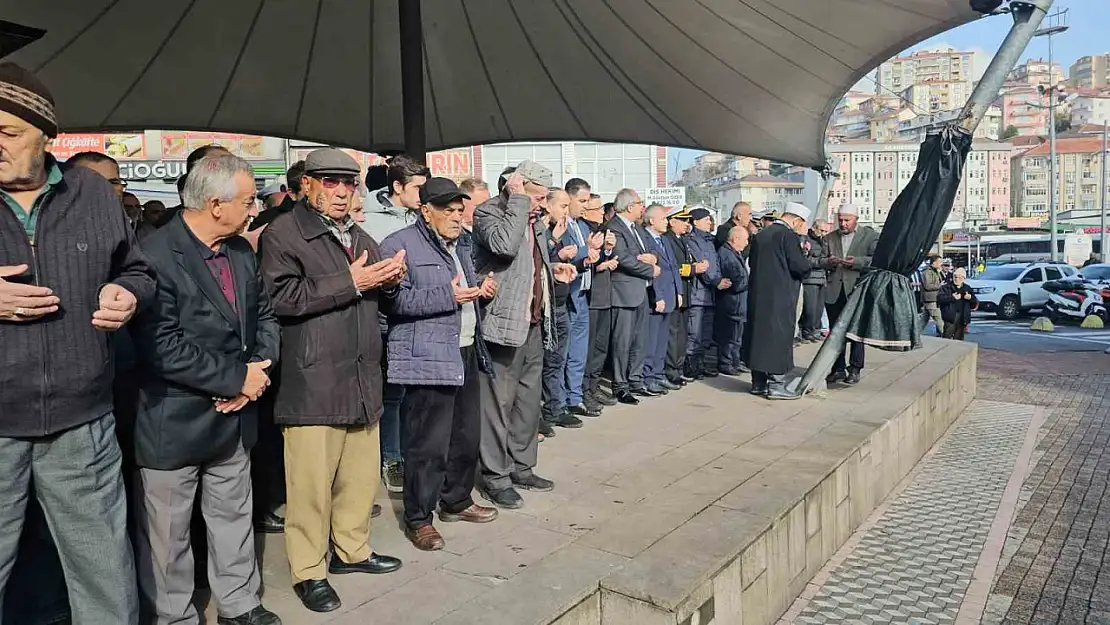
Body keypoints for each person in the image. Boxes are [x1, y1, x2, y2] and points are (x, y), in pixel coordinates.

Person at [0, 61, 155, 624]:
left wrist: (126, 292)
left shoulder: (92, 191)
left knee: (104, 574)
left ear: (46, 135)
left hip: (83, 421)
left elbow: (136, 269)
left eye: (8, 132)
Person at [130, 153, 282, 625]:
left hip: (234, 415)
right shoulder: (154, 255)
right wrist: (238, 378)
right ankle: (174, 616)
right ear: (216, 204)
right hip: (172, 419)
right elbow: (162, 346)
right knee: (168, 536)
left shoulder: (239, 250)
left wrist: (256, 372)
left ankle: (239, 605)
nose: (255, 209)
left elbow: (267, 317)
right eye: (250, 199)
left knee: (234, 518)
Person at [258, 148, 406, 613]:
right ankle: (308, 570)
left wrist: (389, 282)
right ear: (308, 185)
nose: (342, 191)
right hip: (312, 380)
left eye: (349, 183)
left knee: (359, 481)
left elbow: (379, 299)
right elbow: (280, 298)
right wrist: (354, 281)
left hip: (361, 376)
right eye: (331, 182)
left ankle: (352, 550)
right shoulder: (284, 233)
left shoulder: (359, 235)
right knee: (309, 486)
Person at [378, 178, 500, 551]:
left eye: (459, 208)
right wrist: (447, 296)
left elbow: (461, 288)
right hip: (426, 358)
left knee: (466, 437)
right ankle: (419, 517)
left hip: (463, 348)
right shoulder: (399, 245)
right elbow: (394, 303)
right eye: (446, 209)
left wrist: (481, 290)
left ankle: (457, 500)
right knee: (427, 445)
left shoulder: (462, 242)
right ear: (424, 210)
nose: (455, 215)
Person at [472, 161, 574, 509]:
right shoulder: (490, 212)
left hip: (534, 321)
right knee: (497, 404)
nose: (544, 204)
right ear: (519, 185)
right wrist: (517, 201)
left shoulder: (535, 220)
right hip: (502, 324)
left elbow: (529, 262)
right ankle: (494, 477)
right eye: (539, 195)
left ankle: (522, 465)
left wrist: (553, 268)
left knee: (529, 403)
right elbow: (503, 247)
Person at [364, 154, 430, 494]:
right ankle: (390, 456)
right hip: (382, 318)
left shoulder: (425, 215)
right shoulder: (367, 220)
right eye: (418, 188)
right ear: (397, 187)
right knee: (390, 393)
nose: (424, 194)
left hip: (416, 314)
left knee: (411, 392)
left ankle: (408, 452)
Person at [743, 202, 813, 400]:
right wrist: (806, 259)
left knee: (758, 336)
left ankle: (758, 382)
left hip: (758, 294)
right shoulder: (787, 236)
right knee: (778, 337)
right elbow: (798, 266)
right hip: (780, 296)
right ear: (797, 220)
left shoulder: (762, 234)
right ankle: (776, 384)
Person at [605, 189, 658, 404]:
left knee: (639, 340)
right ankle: (620, 384)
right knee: (622, 341)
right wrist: (649, 270)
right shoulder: (614, 228)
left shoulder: (637, 228)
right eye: (640, 204)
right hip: (624, 293)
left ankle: (636, 380)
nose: (642, 207)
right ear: (629, 207)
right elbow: (623, 259)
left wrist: (652, 258)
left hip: (641, 291)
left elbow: (654, 249)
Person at [539, 188, 585, 433]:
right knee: (544, 361)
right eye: (563, 206)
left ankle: (556, 407)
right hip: (544, 305)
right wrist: (555, 246)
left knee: (558, 360)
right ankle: (543, 412)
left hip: (561, 301)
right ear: (548, 205)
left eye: (568, 206)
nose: (566, 211)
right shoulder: (541, 230)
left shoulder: (562, 229)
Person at [822, 204, 879, 385]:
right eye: (840, 220)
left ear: (856, 219)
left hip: (856, 290)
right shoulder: (829, 237)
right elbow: (820, 260)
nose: (843, 224)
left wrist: (857, 262)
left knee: (856, 332)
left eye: (847, 220)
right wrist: (828, 262)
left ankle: (854, 368)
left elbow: (876, 260)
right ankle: (837, 368)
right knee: (835, 332)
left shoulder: (870, 237)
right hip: (834, 291)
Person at [560, 178, 600, 417]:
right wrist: (586, 251)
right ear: (569, 197)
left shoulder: (582, 226)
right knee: (564, 353)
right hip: (568, 295)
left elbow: (587, 257)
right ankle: (561, 400)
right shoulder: (560, 226)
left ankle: (575, 397)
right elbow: (564, 258)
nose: (585, 206)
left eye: (587, 201)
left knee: (578, 352)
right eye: (581, 201)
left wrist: (600, 251)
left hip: (583, 295)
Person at [582, 194, 619, 413]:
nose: (600, 213)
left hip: (605, 295)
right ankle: (585, 389)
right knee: (589, 348)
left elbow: (606, 259)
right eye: (596, 209)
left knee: (601, 347)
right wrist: (601, 261)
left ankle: (594, 385)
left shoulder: (602, 230)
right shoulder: (584, 229)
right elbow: (586, 263)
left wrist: (607, 251)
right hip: (591, 297)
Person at [642, 203, 683, 393]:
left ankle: (659, 374)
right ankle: (648, 376)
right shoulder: (646, 240)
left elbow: (674, 267)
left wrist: (679, 292)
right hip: (657, 298)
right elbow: (652, 272)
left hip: (670, 295)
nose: (666, 222)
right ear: (652, 221)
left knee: (663, 340)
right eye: (663, 219)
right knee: (652, 340)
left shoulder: (664, 240)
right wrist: (658, 296)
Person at [684, 207, 728, 379]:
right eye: (706, 219)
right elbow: (703, 266)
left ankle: (700, 364)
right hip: (698, 294)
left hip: (709, 295)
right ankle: (690, 365)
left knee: (706, 334)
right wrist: (716, 281)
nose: (710, 222)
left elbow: (715, 265)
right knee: (694, 333)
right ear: (695, 222)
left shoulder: (709, 240)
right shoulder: (692, 240)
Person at [662, 207, 696, 386]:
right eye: (683, 221)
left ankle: (678, 367)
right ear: (672, 221)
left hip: (685, 291)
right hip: (675, 291)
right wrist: (694, 269)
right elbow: (676, 266)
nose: (687, 224)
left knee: (681, 333)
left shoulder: (682, 240)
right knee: (673, 334)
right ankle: (671, 370)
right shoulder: (668, 239)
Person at [715, 226, 751, 375]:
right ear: (735, 239)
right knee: (730, 336)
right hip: (732, 303)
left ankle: (735, 362)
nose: (747, 242)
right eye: (745, 239)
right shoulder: (727, 255)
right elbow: (736, 282)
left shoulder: (735, 253)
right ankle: (726, 363)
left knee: (736, 336)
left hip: (738, 303)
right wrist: (750, 281)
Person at [799, 220, 828, 342]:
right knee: (810, 308)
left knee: (819, 308)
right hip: (810, 278)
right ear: (814, 228)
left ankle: (815, 329)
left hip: (822, 278)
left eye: (826, 231)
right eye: (821, 230)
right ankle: (807, 330)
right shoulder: (805, 239)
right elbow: (804, 259)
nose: (823, 233)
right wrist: (820, 262)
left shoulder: (824, 241)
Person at [938, 268, 978, 341]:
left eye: (960, 277)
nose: (957, 279)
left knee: (959, 339)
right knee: (947, 337)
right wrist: (952, 297)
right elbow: (940, 299)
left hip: (962, 316)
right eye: (955, 277)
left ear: (963, 279)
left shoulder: (967, 288)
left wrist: (970, 298)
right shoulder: (946, 287)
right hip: (950, 316)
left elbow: (974, 303)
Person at [921, 255, 945, 336]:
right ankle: (946, 335)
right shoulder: (927, 272)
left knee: (923, 320)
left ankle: (914, 334)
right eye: (939, 262)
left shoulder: (935, 271)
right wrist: (940, 285)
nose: (941, 264)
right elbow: (928, 285)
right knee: (938, 318)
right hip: (931, 298)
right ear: (934, 262)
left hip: (934, 298)